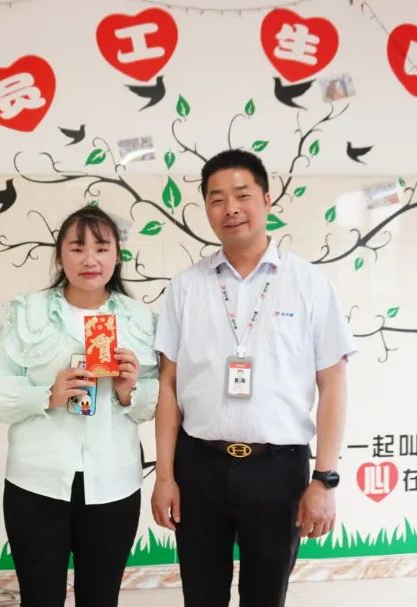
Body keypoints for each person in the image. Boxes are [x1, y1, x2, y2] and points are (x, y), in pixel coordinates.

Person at [150, 149, 357, 607]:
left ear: (266, 199)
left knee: (266, 595)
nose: (231, 208)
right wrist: (164, 475)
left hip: (278, 470)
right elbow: (168, 385)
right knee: (201, 596)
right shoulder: (187, 286)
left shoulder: (308, 283)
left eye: (242, 195)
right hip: (199, 466)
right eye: (216, 199)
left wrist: (324, 479)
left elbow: (334, 383)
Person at [0, 205, 159, 606]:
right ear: (60, 255)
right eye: (77, 248)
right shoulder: (27, 311)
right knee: (39, 598)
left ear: (118, 255)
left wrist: (129, 390)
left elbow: (155, 401)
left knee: (101, 597)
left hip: (114, 483)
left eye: (102, 248)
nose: (90, 259)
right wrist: (47, 395)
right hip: (36, 483)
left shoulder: (139, 319)